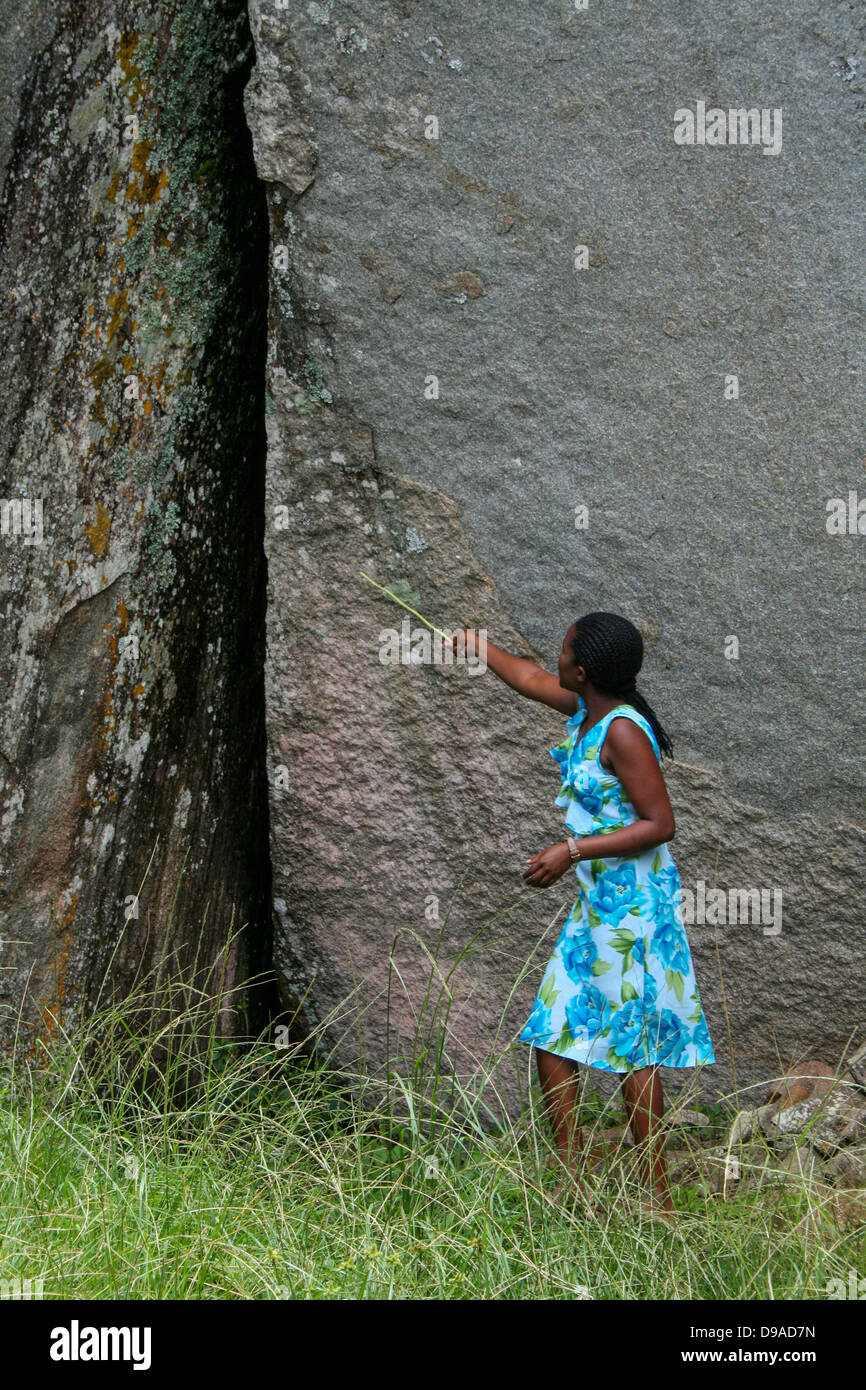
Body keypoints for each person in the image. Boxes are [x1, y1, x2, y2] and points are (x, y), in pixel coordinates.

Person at [453, 612, 715, 1222]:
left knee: (634, 1049)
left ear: (584, 667)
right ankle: (572, 1182)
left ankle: (658, 1199)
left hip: (636, 912)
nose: (558, 653)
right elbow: (527, 677)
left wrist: (570, 850)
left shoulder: (622, 731)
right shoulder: (586, 710)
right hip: (597, 905)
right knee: (551, 1030)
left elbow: (660, 825)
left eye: (565, 646)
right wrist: (475, 646)